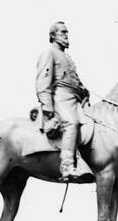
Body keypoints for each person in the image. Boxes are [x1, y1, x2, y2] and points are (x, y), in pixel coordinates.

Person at [35, 21, 91, 180]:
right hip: (59, 98)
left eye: (67, 32)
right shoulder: (49, 53)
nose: (67, 36)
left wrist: (83, 90)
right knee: (71, 123)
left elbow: (73, 81)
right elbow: (42, 83)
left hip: (75, 100)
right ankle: (67, 167)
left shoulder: (68, 58)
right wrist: (48, 108)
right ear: (53, 36)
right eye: (63, 32)